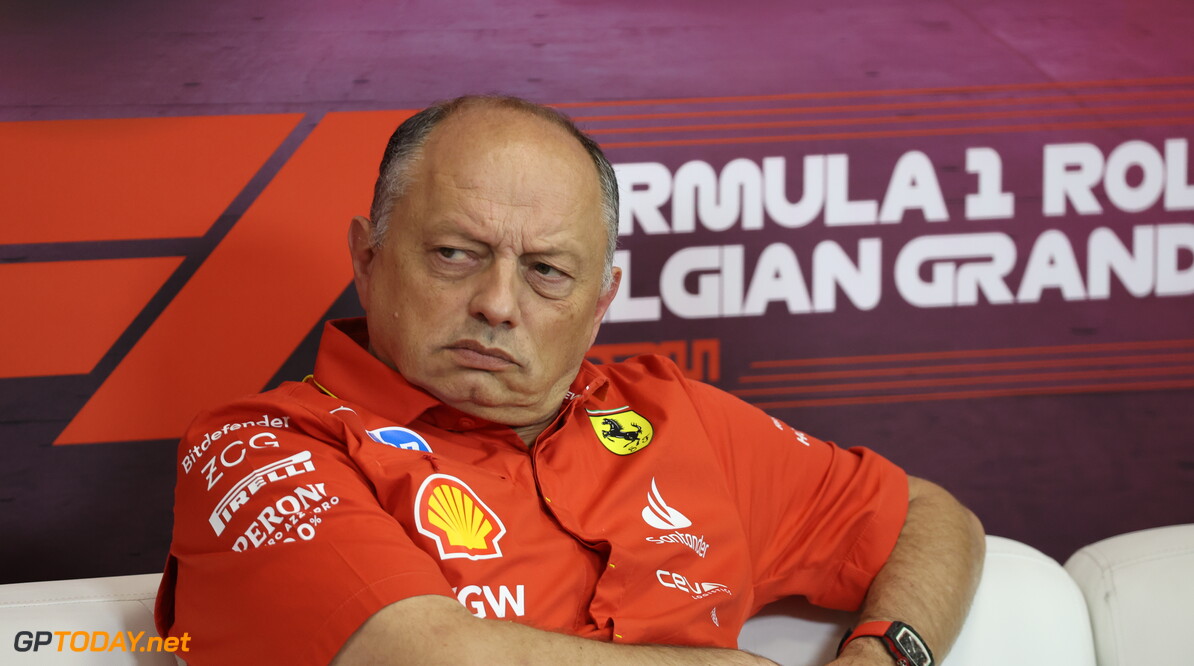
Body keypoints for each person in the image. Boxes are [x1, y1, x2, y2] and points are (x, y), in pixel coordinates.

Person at [155, 95, 985, 665]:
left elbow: (928, 515)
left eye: (548, 270)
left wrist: (883, 652)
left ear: (600, 303)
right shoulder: (261, 445)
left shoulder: (676, 418)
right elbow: (423, 655)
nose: (497, 304)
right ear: (368, 260)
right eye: (455, 254)